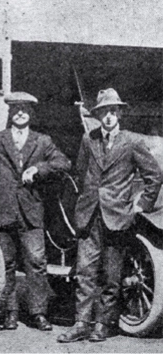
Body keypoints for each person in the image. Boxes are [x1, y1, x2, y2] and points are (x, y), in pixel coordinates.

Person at [0, 91, 71, 331]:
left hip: (31, 211)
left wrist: (38, 169)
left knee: (37, 262)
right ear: (10, 113)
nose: (20, 113)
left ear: (31, 114)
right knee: (5, 264)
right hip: (2, 210)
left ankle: (39, 313)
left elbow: (63, 163)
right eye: (16, 109)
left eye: (25, 109)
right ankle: (10, 312)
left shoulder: (43, 141)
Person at [58, 88, 163, 343]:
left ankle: (103, 324)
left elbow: (154, 176)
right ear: (98, 115)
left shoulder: (132, 142)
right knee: (85, 272)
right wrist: (83, 203)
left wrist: (142, 205)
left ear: (120, 114)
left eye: (113, 111)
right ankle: (81, 323)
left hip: (117, 216)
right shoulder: (88, 139)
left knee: (111, 275)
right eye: (104, 112)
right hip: (89, 215)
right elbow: (82, 173)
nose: (108, 116)